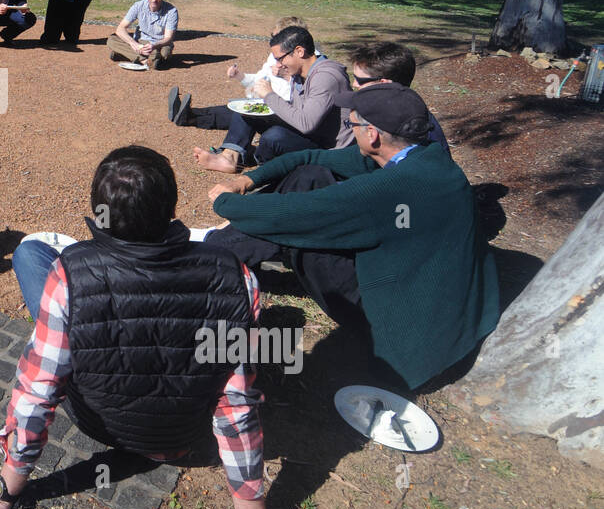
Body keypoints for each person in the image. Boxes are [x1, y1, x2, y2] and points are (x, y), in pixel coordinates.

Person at [0, 146, 266, 509]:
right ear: (173, 209)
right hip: (184, 434)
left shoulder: (69, 274)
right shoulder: (237, 277)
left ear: (100, 213)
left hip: (101, 422)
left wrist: (4, 490)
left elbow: (38, 391)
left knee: (31, 253)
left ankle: (66, 315)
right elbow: (236, 404)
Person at [204, 83, 500, 390]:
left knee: (302, 239)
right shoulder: (426, 160)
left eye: (352, 124)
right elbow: (308, 158)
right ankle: (219, 250)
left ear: (372, 134)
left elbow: (295, 215)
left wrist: (226, 202)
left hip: (410, 344)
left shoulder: (387, 190)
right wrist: (249, 178)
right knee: (311, 177)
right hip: (450, 314)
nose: (350, 128)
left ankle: (210, 256)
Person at [194, 24, 352, 173]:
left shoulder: (326, 76)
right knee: (248, 110)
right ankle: (230, 156)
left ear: (299, 51)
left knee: (274, 137)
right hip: (311, 133)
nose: (277, 64)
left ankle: (263, 170)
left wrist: (270, 95)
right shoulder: (300, 73)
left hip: (328, 147)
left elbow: (306, 124)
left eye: (280, 58)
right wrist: (285, 78)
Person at [171, 15, 308, 128]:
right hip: (259, 101)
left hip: (275, 112)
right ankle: (186, 114)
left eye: (277, 38)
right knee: (229, 108)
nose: (273, 42)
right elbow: (259, 80)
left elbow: (295, 100)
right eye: (272, 37)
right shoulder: (275, 56)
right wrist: (240, 76)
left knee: (236, 114)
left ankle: (189, 119)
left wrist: (285, 77)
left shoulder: (299, 65)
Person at [347, 41, 450, 155]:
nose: (354, 84)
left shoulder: (414, 131)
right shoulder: (388, 112)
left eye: (359, 80)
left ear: (383, 84)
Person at [106, 0, 177, 68]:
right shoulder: (138, 6)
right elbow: (120, 29)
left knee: (165, 54)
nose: (154, 0)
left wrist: (154, 46)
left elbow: (168, 38)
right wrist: (135, 45)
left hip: (160, 44)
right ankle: (145, 60)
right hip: (141, 42)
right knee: (112, 40)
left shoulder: (171, 11)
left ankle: (125, 55)